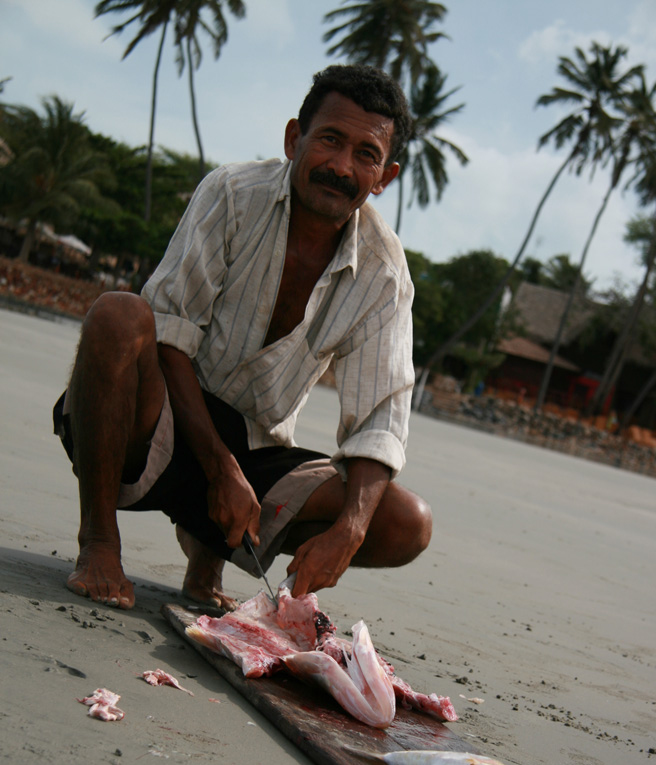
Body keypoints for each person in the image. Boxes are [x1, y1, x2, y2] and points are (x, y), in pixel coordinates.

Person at [53, 64, 432, 610]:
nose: (341, 166)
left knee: (405, 523)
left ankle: (208, 553)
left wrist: (349, 530)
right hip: (156, 420)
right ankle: (98, 541)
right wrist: (217, 466)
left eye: (365, 155)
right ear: (293, 138)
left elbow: (381, 417)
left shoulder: (384, 270)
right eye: (329, 140)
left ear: (385, 177)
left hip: (257, 453)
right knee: (118, 314)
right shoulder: (232, 192)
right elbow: (169, 331)